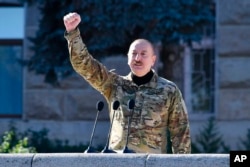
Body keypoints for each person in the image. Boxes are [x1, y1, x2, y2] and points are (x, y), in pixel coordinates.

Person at [63, 12, 191, 154]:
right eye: (134, 53)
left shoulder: (169, 90)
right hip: (117, 162)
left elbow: (181, 133)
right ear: (128, 58)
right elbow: (85, 65)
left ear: (153, 60)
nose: (138, 58)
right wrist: (73, 33)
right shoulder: (114, 85)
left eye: (143, 54)